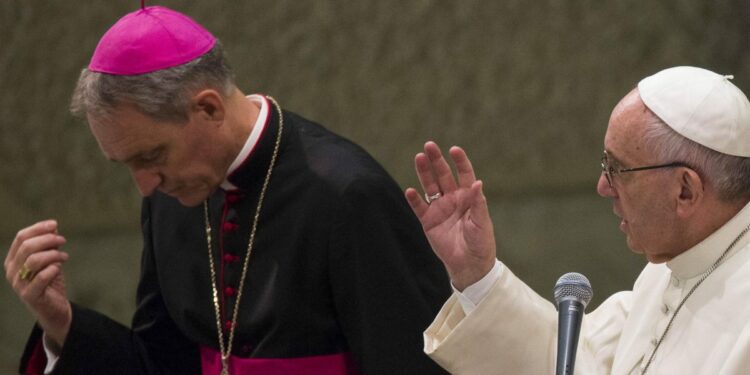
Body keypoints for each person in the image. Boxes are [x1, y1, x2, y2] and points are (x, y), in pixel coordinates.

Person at [4, 5, 451, 375]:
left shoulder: (347, 195)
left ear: (208, 108)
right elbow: (161, 366)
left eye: (151, 156)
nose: (145, 185)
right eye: (127, 165)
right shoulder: (170, 198)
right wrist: (62, 322)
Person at [405, 66, 750, 374]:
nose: (602, 186)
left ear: (685, 191)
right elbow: (575, 362)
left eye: (617, 169)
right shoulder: (665, 273)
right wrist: (477, 274)